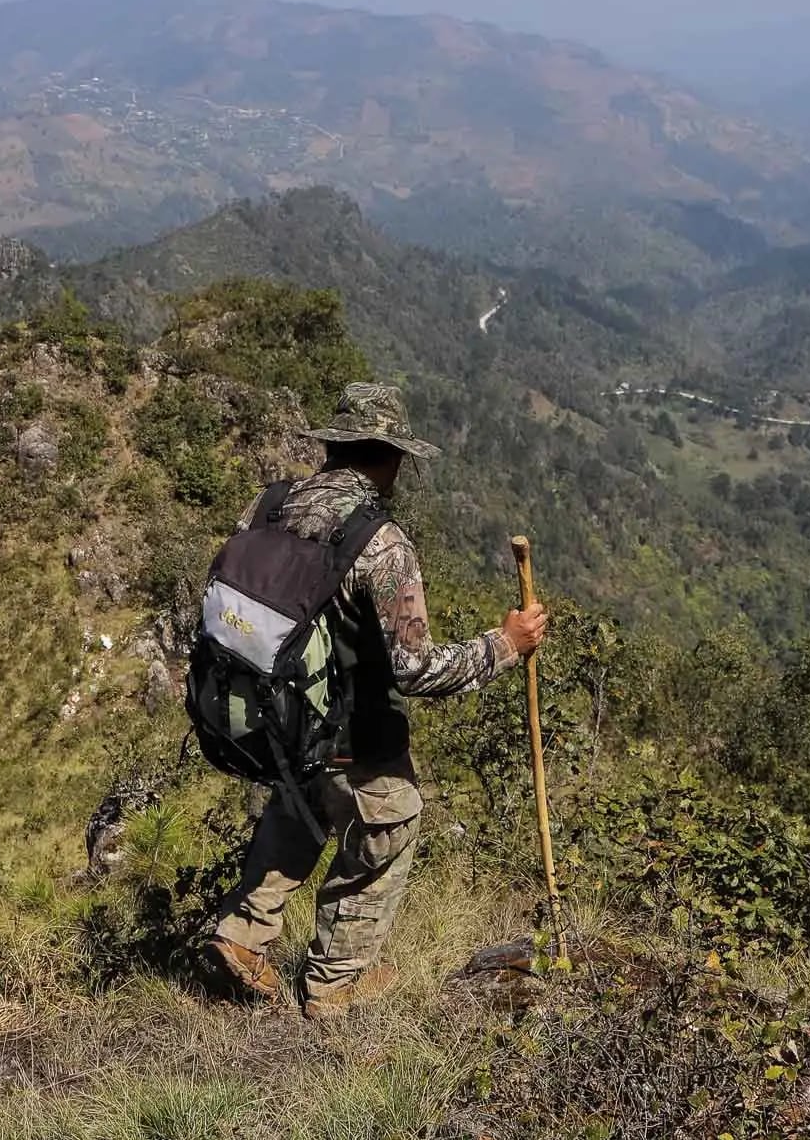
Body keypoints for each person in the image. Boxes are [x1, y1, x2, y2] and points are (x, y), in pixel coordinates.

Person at [200, 382, 549, 1020]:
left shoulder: (272, 505)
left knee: (300, 804)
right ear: (388, 458)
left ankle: (242, 937)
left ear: (335, 448)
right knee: (391, 821)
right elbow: (415, 669)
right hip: (351, 730)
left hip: (280, 719)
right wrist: (507, 643)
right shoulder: (380, 542)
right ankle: (337, 982)